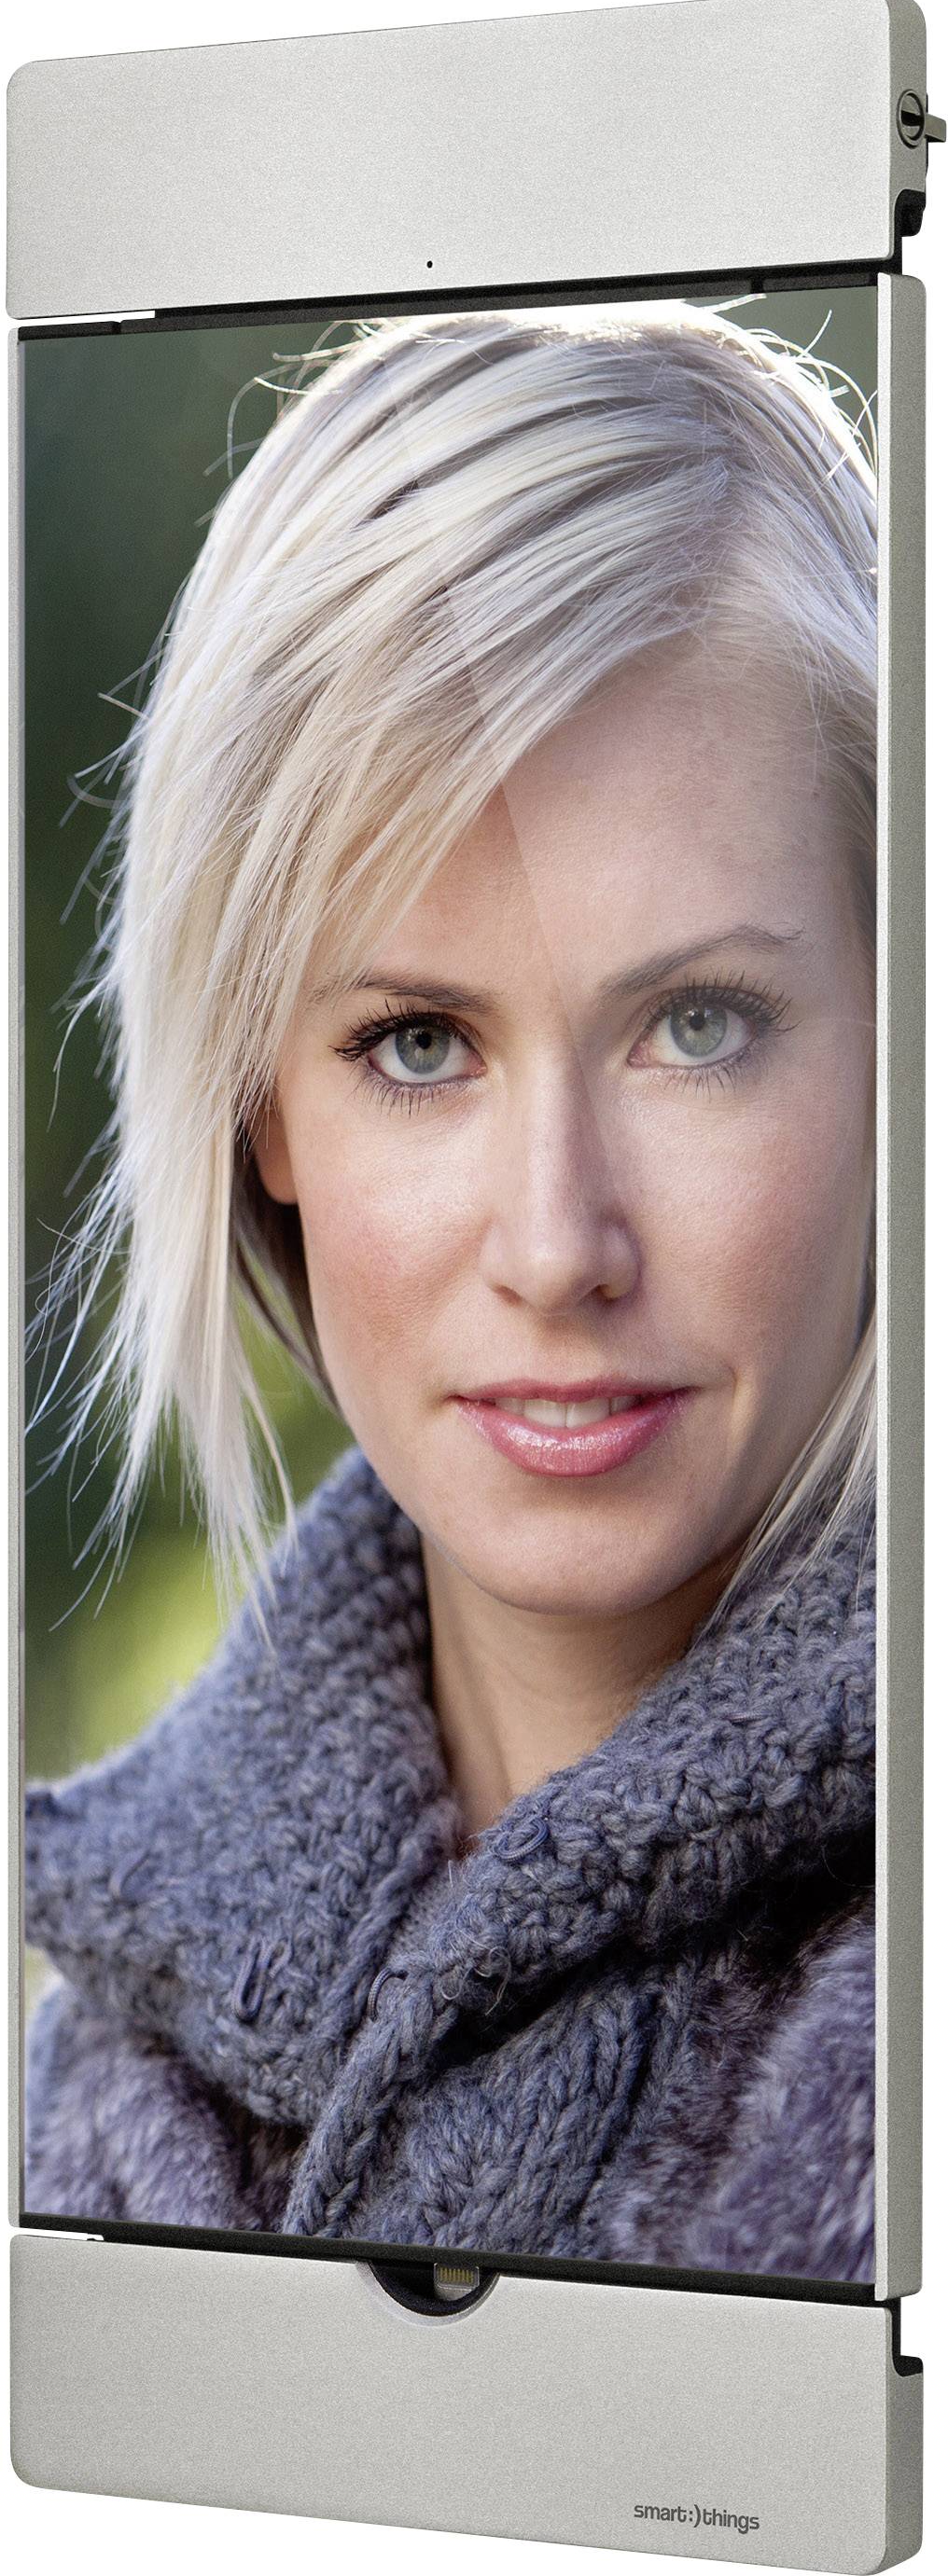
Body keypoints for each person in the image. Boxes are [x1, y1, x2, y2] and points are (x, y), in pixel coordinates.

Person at [23, 304, 877, 2278]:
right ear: (258, 1110)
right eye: (418, 1043)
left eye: (697, 1025)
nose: (556, 1243)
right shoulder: (108, 2081)